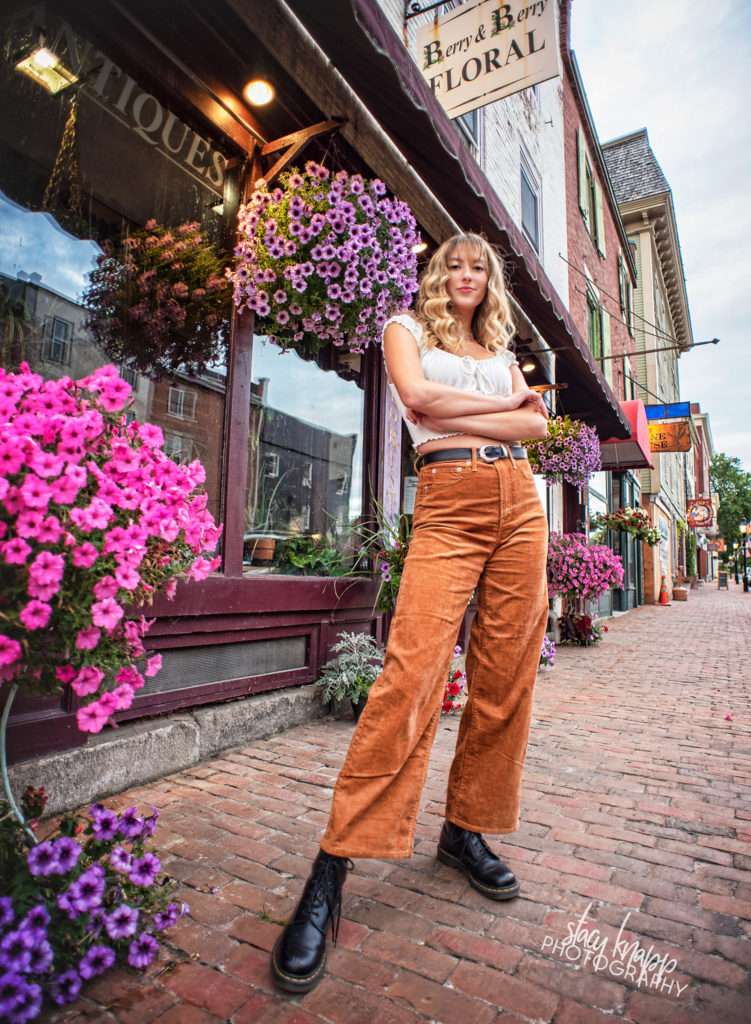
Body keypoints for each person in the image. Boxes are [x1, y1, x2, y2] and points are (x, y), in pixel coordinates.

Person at [270, 232, 550, 994]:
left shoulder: (498, 350)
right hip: (450, 502)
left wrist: (499, 413)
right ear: (435, 275)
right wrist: (501, 412)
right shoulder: (403, 328)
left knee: (505, 678)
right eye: (453, 265)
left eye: (478, 268)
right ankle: (333, 867)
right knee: (410, 674)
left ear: (490, 284)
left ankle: (465, 830)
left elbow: (536, 430)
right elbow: (419, 401)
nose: (465, 275)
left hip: (520, 508)